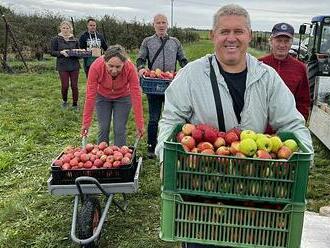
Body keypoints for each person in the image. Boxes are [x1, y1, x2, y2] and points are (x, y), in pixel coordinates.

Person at [156, 5, 313, 246]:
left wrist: (305, 159)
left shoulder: (267, 77)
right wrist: (165, 157)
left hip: (252, 186)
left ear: (250, 35)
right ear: (213, 35)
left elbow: (292, 121)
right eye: (224, 31)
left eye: (238, 31)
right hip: (202, 182)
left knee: (249, 237)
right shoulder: (192, 75)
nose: (231, 38)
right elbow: (171, 119)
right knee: (202, 240)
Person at [136, 13, 188, 158]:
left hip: (171, 83)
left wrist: (186, 69)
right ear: (153, 25)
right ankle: (151, 147)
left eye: (163, 22)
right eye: (158, 22)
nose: (161, 25)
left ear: (167, 25)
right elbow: (140, 58)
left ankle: (173, 145)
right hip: (154, 83)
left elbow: (182, 59)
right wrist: (141, 68)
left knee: (174, 116)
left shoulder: (175, 42)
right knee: (154, 117)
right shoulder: (147, 41)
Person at [81, 45, 144, 146]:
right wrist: (86, 123)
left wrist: (139, 124)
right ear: (105, 62)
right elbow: (90, 96)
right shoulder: (96, 67)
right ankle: (101, 156)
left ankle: (120, 158)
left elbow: (136, 96)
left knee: (119, 129)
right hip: (102, 96)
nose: (114, 70)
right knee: (103, 127)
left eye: (118, 67)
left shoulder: (130, 68)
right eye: (110, 66)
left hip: (123, 96)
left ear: (124, 63)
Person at [259, 22, 311, 134]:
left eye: (286, 41)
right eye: (278, 40)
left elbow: (303, 100)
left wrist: (297, 126)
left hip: (286, 127)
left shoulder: (300, 68)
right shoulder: (259, 64)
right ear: (271, 41)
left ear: (291, 42)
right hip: (259, 127)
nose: (282, 45)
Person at [50, 20, 80, 110]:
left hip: (74, 65)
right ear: (60, 28)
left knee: (74, 86)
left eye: (68, 28)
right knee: (65, 85)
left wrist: (78, 53)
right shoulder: (55, 39)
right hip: (62, 65)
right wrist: (61, 52)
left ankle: (75, 104)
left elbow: (79, 51)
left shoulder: (75, 39)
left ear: (71, 29)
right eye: (64, 28)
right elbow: (52, 52)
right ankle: (64, 101)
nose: (66, 30)